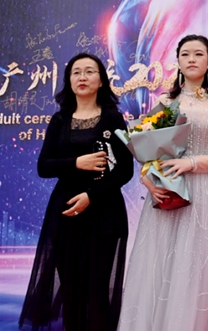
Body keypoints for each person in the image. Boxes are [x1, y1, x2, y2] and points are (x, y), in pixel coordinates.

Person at [118, 35, 208, 331]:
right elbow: (148, 151)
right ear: (178, 62)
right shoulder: (165, 102)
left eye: (198, 54)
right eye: (185, 54)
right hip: (167, 191)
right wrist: (148, 182)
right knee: (159, 266)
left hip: (205, 193)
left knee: (196, 269)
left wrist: (192, 163)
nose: (191, 59)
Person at [20, 53, 134, 331]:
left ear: (101, 81)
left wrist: (91, 196)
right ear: (69, 81)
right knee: (71, 290)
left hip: (104, 212)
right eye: (76, 72)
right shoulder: (59, 120)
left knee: (97, 291)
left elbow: (125, 170)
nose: (82, 77)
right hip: (66, 213)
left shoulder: (113, 118)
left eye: (89, 71)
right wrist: (76, 163)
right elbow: (44, 166)